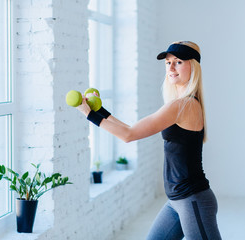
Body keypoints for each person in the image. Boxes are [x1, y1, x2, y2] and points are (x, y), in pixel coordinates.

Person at [76, 41, 221, 240]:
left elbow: (128, 135)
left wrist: (90, 115)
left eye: (178, 62)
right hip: (176, 200)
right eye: (168, 62)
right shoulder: (178, 104)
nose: (170, 67)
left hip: (192, 200)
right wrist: (97, 110)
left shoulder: (183, 106)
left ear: (193, 66)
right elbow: (129, 129)